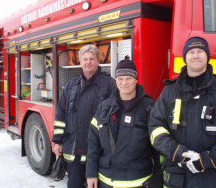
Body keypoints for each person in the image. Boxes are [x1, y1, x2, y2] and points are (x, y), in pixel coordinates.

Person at [148, 36, 216, 188]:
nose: (196, 55)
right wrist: (178, 153)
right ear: (185, 57)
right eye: (191, 52)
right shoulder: (170, 91)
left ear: (207, 57)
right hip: (178, 178)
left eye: (200, 51)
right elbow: (155, 127)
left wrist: (207, 160)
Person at [86, 56, 161, 188]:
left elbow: (158, 147)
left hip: (139, 182)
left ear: (136, 80)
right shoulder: (104, 107)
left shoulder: (149, 107)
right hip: (107, 181)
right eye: (120, 79)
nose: (124, 83)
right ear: (116, 81)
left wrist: (158, 177)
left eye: (129, 78)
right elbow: (93, 144)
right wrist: (91, 173)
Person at [52, 44, 116, 188]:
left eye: (92, 59)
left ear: (98, 61)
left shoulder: (110, 85)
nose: (88, 62)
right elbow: (61, 114)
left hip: (99, 153)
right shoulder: (71, 85)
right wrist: (58, 141)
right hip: (73, 151)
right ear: (80, 62)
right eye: (85, 59)